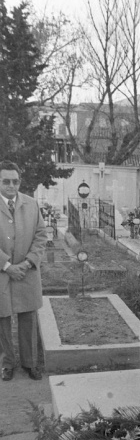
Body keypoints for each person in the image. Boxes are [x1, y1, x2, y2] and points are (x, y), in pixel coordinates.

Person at [0, 160, 47, 381]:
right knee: (2, 320)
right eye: (6, 181)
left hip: (27, 272)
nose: (11, 185)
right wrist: (7, 266)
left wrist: (27, 263)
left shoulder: (31, 204)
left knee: (28, 317)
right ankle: (7, 363)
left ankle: (30, 363)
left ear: (20, 182)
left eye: (15, 181)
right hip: (2, 273)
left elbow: (40, 236)